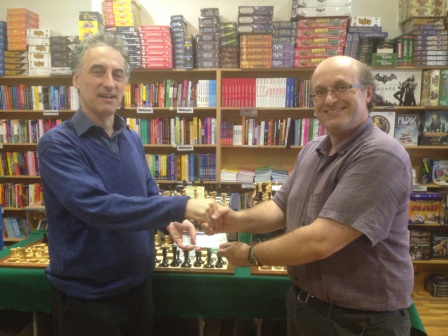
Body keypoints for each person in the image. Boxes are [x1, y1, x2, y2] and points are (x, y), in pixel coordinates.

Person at [203, 56, 414, 336]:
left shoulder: (380, 155)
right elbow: (281, 207)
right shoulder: (313, 148)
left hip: (359, 323)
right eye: (319, 92)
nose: (329, 99)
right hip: (308, 308)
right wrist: (235, 221)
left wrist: (251, 254)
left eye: (341, 87)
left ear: (367, 93)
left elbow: (321, 241)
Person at [37, 33, 218, 336]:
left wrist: (167, 222)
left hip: (139, 289)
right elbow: (98, 207)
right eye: (98, 71)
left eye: (118, 74)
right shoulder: (57, 144)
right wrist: (180, 205)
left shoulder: (131, 137)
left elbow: (147, 193)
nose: (109, 83)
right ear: (76, 80)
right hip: (89, 302)